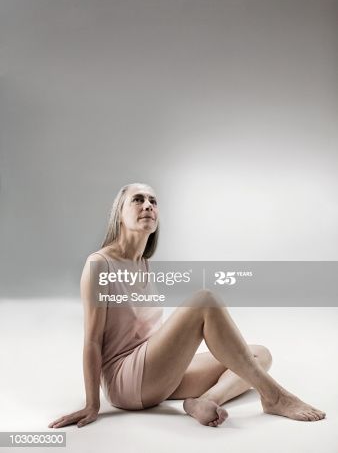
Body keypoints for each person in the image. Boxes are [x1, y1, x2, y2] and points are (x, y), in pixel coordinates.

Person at [48, 183, 326, 429]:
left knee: (259, 355)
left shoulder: (143, 265)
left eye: (153, 201)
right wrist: (92, 404)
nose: (148, 205)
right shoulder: (99, 265)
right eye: (138, 199)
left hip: (155, 370)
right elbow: (92, 342)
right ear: (119, 214)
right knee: (204, 300)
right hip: (127, 380)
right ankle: (275, 396)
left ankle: (205, 401)